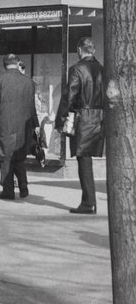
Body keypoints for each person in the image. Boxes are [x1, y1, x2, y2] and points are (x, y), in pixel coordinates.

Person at [54, 36, 104, 215]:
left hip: (83, 117)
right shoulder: (102, 69)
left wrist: (60, 120)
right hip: (100, 117)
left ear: (79, 50)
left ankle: (88, 202)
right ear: (93, 50)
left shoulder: (77, 69)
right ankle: (90, 201)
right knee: (87, 159)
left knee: (83, 159)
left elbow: (69, 96)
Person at [0, 53, 37, 201]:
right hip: (24, 125)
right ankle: (23, 185)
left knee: (5, 156)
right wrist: (35, 124)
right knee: (19, 157)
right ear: (18, 63)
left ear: (4, 65)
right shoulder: (29, 82)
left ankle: (8, 189)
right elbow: (31, 106)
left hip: (3, 124)